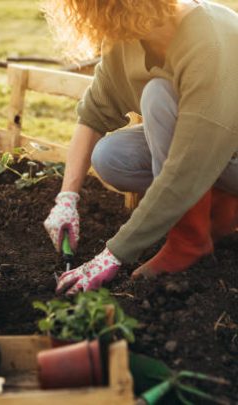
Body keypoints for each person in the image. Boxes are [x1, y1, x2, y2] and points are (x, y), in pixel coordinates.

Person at [42, 0, 238, 295]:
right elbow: (93, 115)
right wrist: (66, 199)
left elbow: (187, 167)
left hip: (228, 151)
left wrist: (113, 254)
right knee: (111, 156)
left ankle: (191, 239)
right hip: (205, 149)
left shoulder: (208, 41)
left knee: (157, 96)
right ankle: (211, 209)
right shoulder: (127, 39)